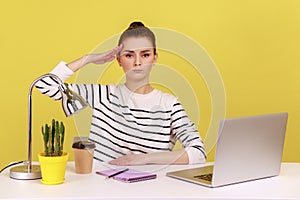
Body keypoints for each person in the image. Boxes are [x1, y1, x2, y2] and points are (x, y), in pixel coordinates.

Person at [36, 21, 206, 165]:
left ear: (155, 58)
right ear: (119, 60)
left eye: (145, 54)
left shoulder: (169, 104)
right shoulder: (103, 95)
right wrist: (88, 59)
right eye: (129, 55)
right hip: (100, 188)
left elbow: (198, 153)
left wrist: (143, 160)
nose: (138, 62)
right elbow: (45, 84)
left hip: (150, 190)